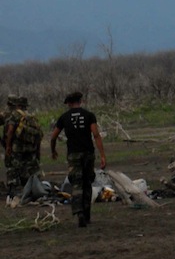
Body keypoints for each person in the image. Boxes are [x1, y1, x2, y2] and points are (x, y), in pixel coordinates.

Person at [50, 91, 106, 228]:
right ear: (81, 101)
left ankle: (78, 212)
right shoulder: (89, 115)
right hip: (88, 153)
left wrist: (53, 150)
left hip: (73, 154)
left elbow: (53, 136)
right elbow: (96, 135)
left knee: (76, 183)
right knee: (87, 182)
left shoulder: (64, 117)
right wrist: (103, 155)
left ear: (69, 103)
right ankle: (87, 214)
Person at [4, 95, 42, 199]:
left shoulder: (14, 115)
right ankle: (35, 188)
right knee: (31, 168)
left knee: (14, 168)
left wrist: (8, 146)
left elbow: (10, 131)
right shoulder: (30, 116)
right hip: (31, 148)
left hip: (18, 148)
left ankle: (16, 190)